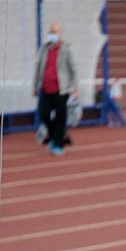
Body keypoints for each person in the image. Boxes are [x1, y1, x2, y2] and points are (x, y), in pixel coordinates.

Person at [33, 22, 78, 156]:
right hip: (45, 89)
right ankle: (57, 136)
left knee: (60, 117)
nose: (53, 34)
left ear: (60, 34)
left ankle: (58, 144)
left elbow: (73, 69)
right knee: (43, 114)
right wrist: (35, 86)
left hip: (61, 90)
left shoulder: (66, 49)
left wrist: (75, 88)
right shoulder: (43, 49)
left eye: (55, 32)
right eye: (51, 32)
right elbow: (38, 68)